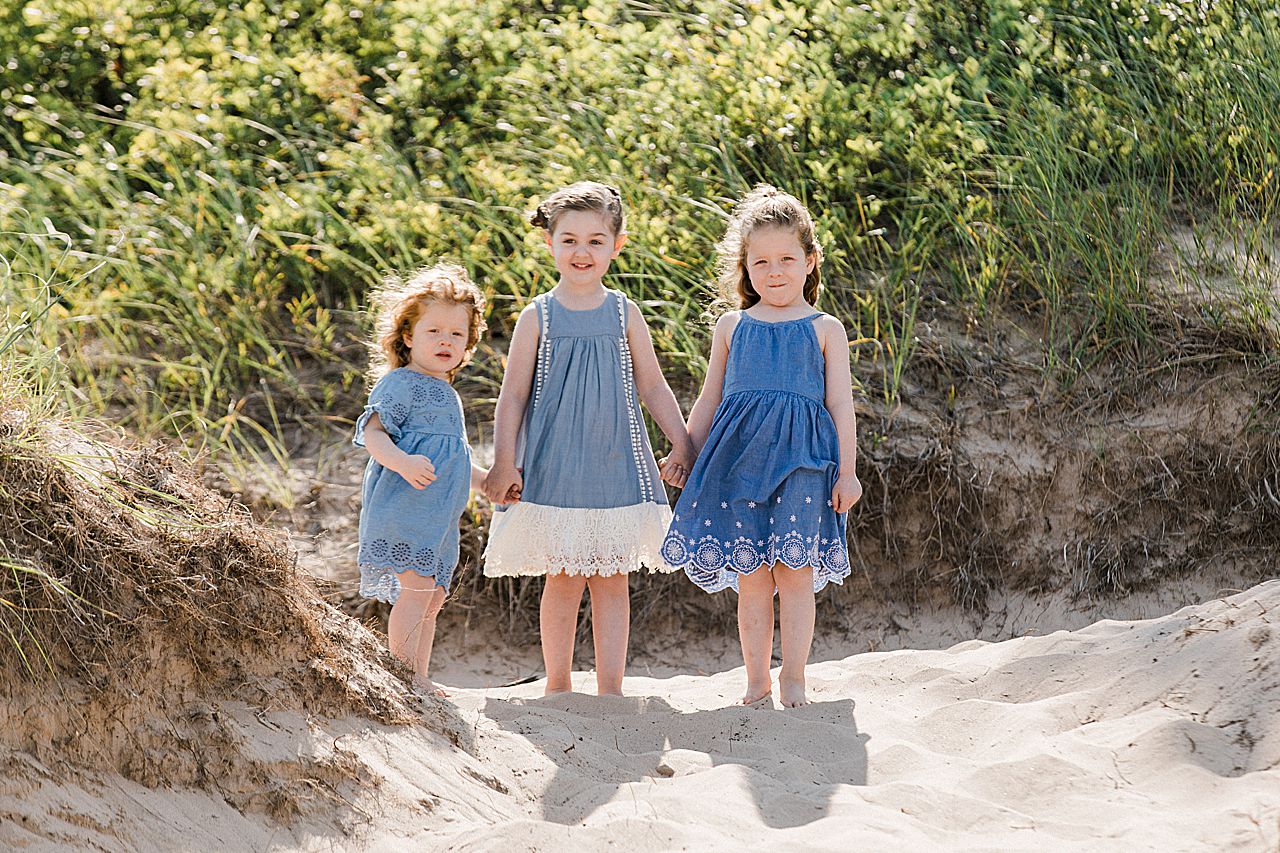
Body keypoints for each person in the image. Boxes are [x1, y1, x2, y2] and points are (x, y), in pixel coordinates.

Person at [482, 180, 694, 696]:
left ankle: (610, 689)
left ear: (617, 246)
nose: (582, 252)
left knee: (613, 578)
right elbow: (512, 397)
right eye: (570, 240)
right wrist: (504, 462)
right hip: (556, 468)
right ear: (549, 242)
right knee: (562, 577)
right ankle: (557, 685)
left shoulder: (624, 313)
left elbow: (652, 384)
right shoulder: (538, 316)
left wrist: (683, 442)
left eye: (596, 241)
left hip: (615, 464)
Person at [660, 185, 863, 708]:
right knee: (751, 576)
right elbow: (710, 398)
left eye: (787, 259)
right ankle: (757, 680)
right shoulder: (732, 326)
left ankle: (793, 677)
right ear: (745, 267)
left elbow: (841, 405)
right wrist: (685, 451)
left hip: (805, 462)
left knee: (795, 573)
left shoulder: (825, 329)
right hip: (739, 463)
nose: (775, 272)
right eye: (761, 262)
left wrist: (848, 471)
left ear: (810, 261)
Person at [354, 262, 489, 696]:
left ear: (468, 342)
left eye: (456, 333)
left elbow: (453, 460)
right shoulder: (400, 384)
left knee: (431, 597)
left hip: (437, 520)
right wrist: (402, 462)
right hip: (405, 507)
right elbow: (373, 433)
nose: (446, 341)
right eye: (434, 331)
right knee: (416, 591)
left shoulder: (447, 393)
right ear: (409, 336)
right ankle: (405, 677)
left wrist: (486, 483)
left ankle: (419, 674)